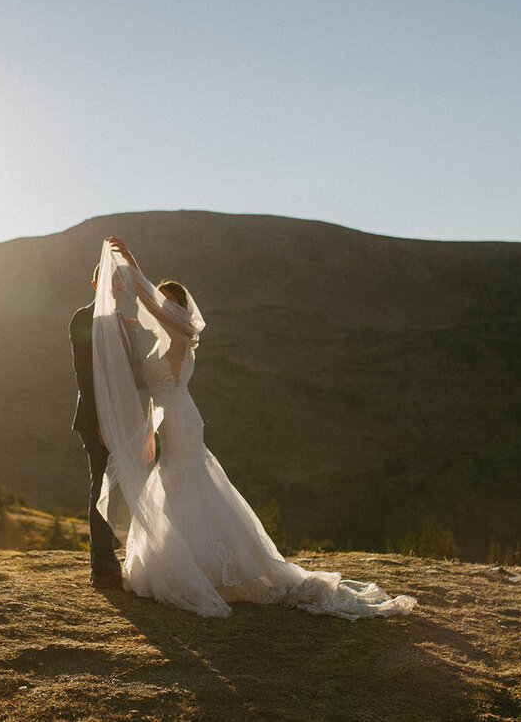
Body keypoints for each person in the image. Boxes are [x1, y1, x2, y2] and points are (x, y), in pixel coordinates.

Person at [91, 237, 417, 619]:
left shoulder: (179, 335)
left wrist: (130, 263)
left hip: (181, 419)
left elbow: (147, 302)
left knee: (184, 479)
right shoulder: (163, 340)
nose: (160, 306)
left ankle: (206, 568)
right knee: (179, 479)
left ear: (178, 309)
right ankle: (188, 560)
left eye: (168, 302)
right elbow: (155, 388)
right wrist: (147, 429)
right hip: (171, 417)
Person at [69, 262, 124, 589]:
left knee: (117, 491)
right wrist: (102, 420)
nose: (117, 287)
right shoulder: (82, 318)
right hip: (95, 419)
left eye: (120, 282)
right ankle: (102, 569)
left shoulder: (120, 321)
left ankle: (113, 560)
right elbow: (85, 376)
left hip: (122, 419)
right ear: (94, 284)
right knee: (101, 486)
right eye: (109, 281)